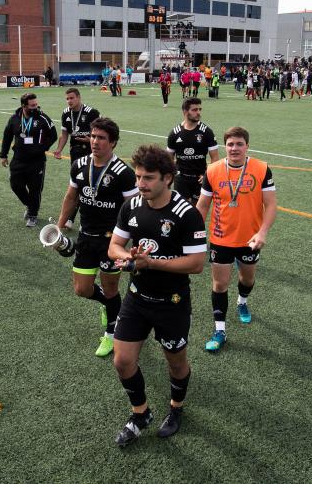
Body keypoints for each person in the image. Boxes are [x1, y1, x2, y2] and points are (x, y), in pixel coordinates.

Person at [108, 144, 207, 446]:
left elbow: (197, 263)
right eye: (138, 176)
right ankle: (141, 413)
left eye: (148, 178)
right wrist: (126, 257)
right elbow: (114, 246)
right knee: (122, 361)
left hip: (171, 304)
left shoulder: (186, 214)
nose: (140, 184)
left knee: (176, 363)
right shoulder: (132, 206)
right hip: (137, 298)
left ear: (167, 178)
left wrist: (151, 262)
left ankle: (176, 408)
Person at [58, 118, 138, 356]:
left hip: (111, 241)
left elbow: (132, 208)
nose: (94, 141)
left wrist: (126, 239)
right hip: (85, 236)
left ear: (112, 142)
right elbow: (72, 197)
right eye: (93, 136)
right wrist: (59, 227)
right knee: (81, 289)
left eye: (101, 138)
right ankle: (109, 305)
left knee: (110, 288)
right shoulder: (79, 164)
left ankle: (111, 334)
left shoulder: (124, 173)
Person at [196, 127, 277, 352]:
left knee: (247, 278)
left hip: (250, 239)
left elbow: (270, 204)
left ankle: (242, 301)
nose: (234, 148)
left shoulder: (261, 169)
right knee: (220, 284)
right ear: (225, 146)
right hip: (221, 237)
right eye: (230, 144)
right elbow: (202, 206)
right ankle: (220, 329)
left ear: (247, 146)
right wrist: (193, 234)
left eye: (239, 144)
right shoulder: (213, 170)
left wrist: (262, 232)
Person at [0, 93, 58, 227]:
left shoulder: (43, 118)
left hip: (36, 161)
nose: (35, 107)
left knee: (35, 189)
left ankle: (32, 214)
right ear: (24, 106)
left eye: (36, 104)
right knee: (15, 185)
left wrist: (42, 148)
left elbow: (53, 135)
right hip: (18, 159)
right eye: (32, 106)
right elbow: (7, 136)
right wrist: (3, 155)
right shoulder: (14, 118)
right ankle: (30, 205)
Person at [53, 88, 101, 228]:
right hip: (75, 153)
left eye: (72, 98)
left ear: (79, 98)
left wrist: (90, 140)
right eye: (67, 99)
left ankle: (73, 219)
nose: (69, 101)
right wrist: (59, 149)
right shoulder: (65, 113)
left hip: (91, 152)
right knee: (78, 185)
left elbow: (100, 133)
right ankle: (73, 219)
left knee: (87, 185)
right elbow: (64, 134)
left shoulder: (92, 112)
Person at [166, 97, 220, 204]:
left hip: (200, 178)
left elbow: (215, 158)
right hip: (181, 178)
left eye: (200, 109)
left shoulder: (207, 132)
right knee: (181, 210)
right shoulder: (174, 133)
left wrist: (207, 175)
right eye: (194, 110)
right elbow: (168, 158)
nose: (198, 112)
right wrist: (171, 175)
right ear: (185, 112)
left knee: (197, 210)